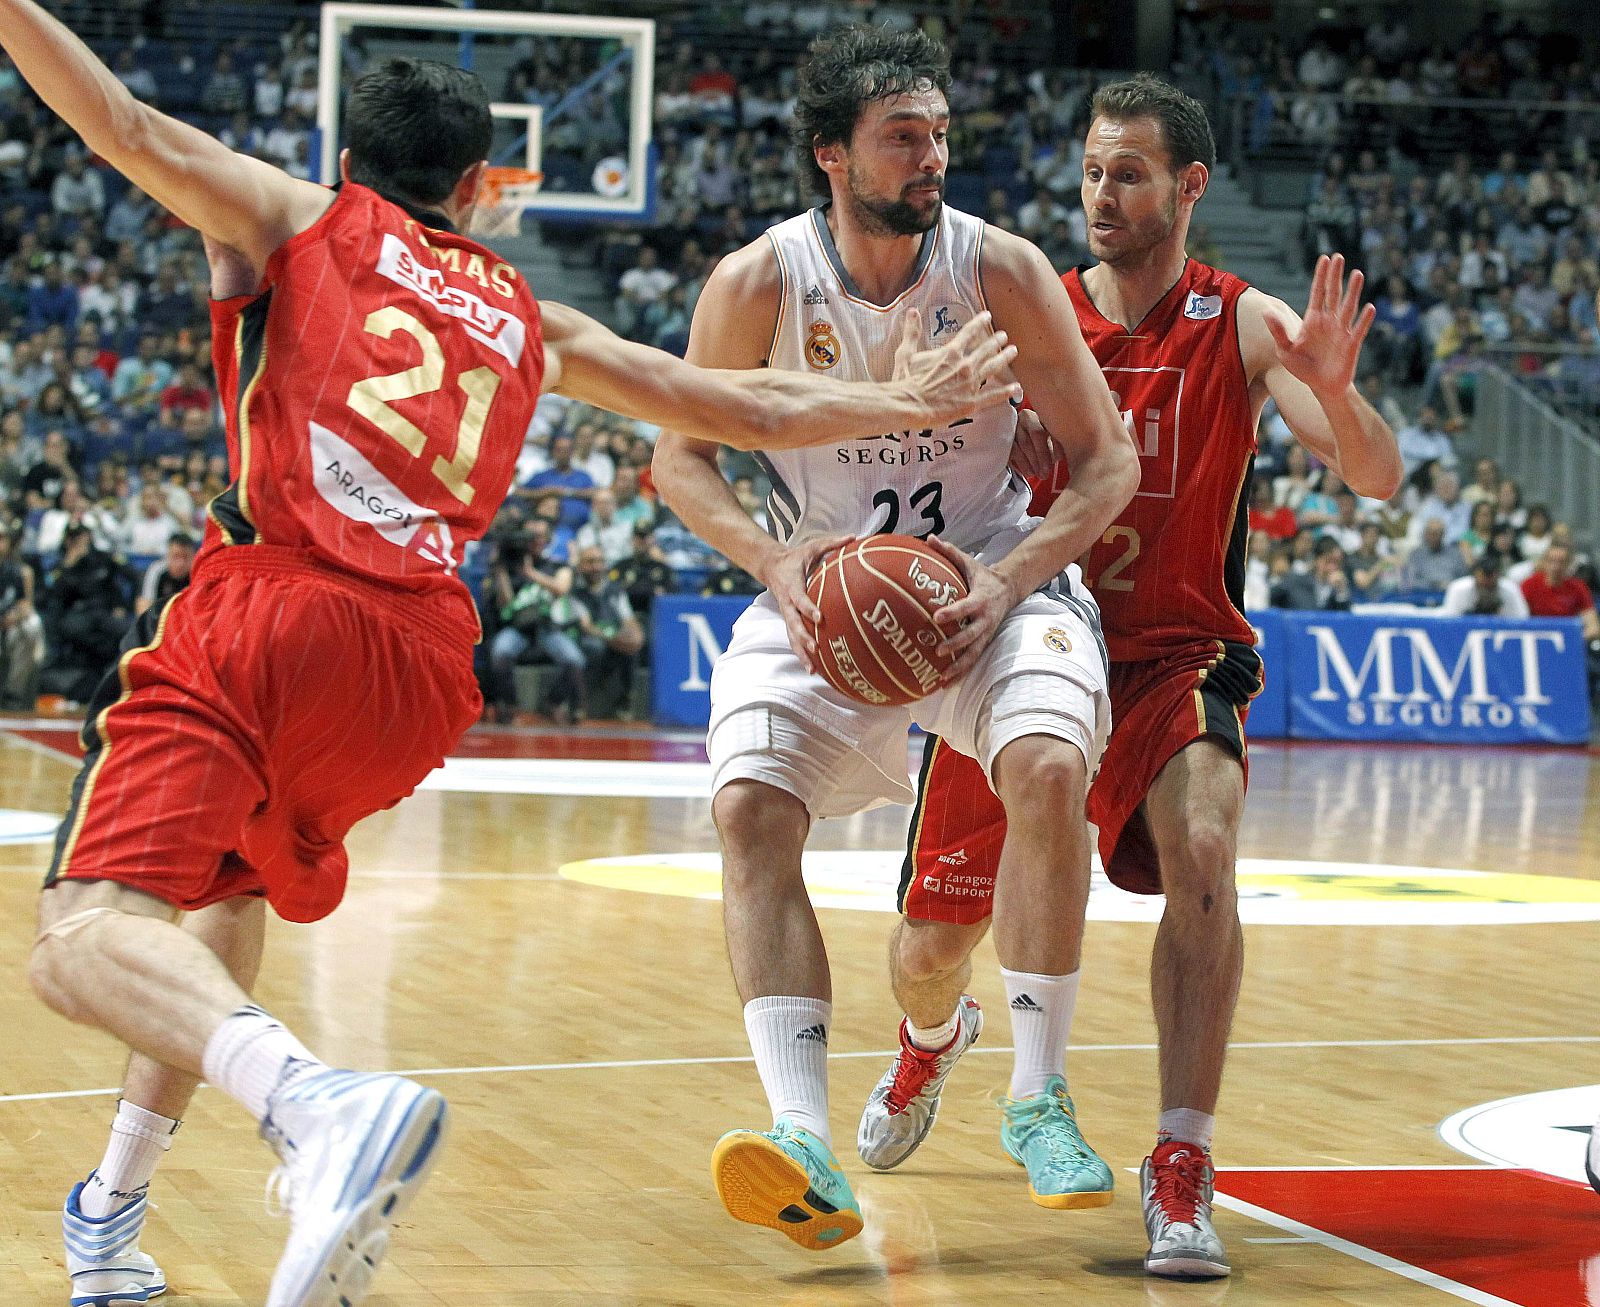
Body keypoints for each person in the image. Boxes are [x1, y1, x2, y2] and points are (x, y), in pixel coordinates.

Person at [7, 8, 1017, 1306]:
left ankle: (318, 1106)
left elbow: (121, 122)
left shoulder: (297, 217)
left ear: (342, 151)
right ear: (486, 185)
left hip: (280, 604)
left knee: (79, 934)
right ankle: (113, 1213)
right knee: (223, 893)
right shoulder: (530, 312)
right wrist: (904, 400)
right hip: (420, 669)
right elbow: (739, 404)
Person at [852, 75, 1400, 1281]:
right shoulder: (1027, 307)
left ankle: (1181, 1157)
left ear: (1190, 186)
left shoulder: (1245, 322)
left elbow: (1375, 478)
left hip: (1171, 654)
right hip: (1023, 643)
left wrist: (1338, 384)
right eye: (1094, 170)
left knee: (1204, 852)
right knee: (929, 942)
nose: (1102, 193)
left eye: (1130, 173)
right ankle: (930, 1037)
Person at [653, 26, 1139, 1251]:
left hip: (990, 578)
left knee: (1044, 765)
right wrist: (772, 560)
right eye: (902, 138)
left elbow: (1105, 464)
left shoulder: (1004, 269)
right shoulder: (758, 283)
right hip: (827, 587)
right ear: (832, 154)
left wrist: (1009, 575)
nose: (931, 159)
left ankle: (1037, 1096)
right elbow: (680, 459)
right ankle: (802, 1135)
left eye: (937, 134)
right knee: (749, 808)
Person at [1441, 555, 1530, 617]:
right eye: (1483, 585)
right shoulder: (1459, 589)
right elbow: (1449, 620)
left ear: (1498, 576)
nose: (1487, 584)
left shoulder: (1510, 590)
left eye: (1490, 586)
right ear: (1474, 576)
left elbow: (1522, 620)